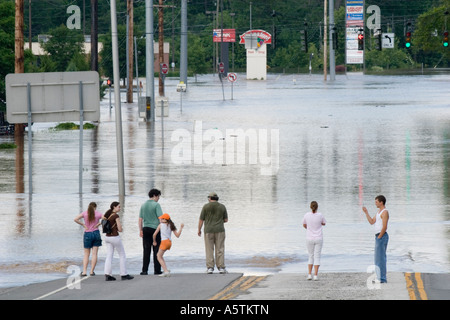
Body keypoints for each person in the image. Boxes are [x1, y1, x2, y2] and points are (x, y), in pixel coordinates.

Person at [198, 192, 228, 274]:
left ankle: (210, 267)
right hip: (220, 230)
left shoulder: (205, 207)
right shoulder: (222, 207)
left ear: (210, 198)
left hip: (208, 230)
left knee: (209, 249)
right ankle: (221, 267)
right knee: (220, 249)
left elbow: (201, 220)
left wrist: (199, 229)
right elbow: (226, 220)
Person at [103, 201, 134, 281]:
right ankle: (124, 274)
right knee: (122, 255)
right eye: (119, 207)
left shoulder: (107, 214)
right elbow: (120, 229)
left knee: (109, 255)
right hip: (114, 237)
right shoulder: (116, 216)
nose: (120, 208)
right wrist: (120, 228)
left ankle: (107, 274)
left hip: (107, 237)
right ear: (114, 207)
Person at [362, 195, 389, 283]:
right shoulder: (378, 212)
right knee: (377, 258)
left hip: (381, 236)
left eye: (376, 202)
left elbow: (384, 227)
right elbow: (372, 222)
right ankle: (379, 277)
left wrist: (380, 237)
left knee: (380, 258)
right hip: (378, 236)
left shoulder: (384, 212)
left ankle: (382, 278)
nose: (375, 203)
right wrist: (366, 212)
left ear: (381, 202)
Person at [74, 202, 103, 276]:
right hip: (96, 233)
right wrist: (98, 224)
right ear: (95, 207)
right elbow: (106, 219)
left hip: (87, 233)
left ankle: (84, 272)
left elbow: (75, 219)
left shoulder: (85, 213)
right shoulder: (98, 213)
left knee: (86, 254)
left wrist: (83, 225)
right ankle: (91, 271)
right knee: (94, 254)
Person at [139, 188, 163, 275]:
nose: (158, 198)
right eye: (158, 196)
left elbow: (140, 219)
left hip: (145, 229)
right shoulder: (156, 205)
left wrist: (140, 230)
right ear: (154, 196)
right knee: (156, 250)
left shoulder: (143, 205)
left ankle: (144, 270)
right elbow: (161, 218)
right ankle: (157, 270)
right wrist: (162, 229)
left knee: (146, 250)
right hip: (155, 229)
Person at [302, 201, 327, 281]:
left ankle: (309, 275)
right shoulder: (320, 215)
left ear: (310, 207)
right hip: (318, 238)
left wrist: (309, 229)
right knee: (317, 256)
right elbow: (324, 223)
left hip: (309, 238)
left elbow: (304, 225)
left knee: (310, 256)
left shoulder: (306, 215)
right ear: (317, 207)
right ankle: (315, 275)